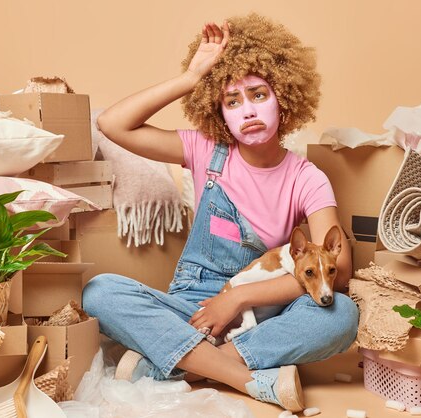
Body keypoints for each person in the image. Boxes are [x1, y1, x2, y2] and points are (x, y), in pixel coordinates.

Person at [82, 13, 358, 412]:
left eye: (259, 95)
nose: (247, 111)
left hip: (263, 316)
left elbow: (341, 267)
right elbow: (112, 124)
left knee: (341, 314)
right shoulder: (205, 151)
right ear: (218, 112)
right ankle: (244, 377)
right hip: (192, 313)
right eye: (232, 101)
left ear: (285, 96)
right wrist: (191, 79)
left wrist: (239, 298)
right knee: (99, 292)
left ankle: (183, 366)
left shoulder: (306, 178)